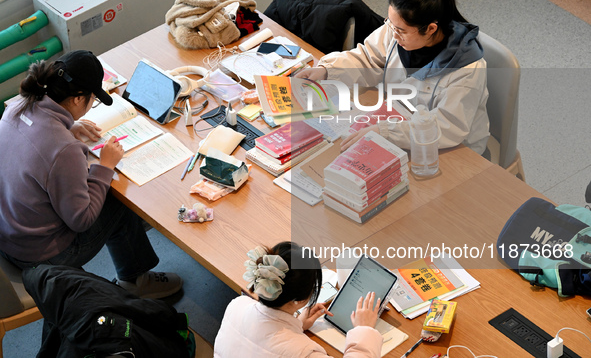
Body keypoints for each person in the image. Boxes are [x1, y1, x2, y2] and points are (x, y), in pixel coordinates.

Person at [0, 50, 182, 299]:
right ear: (77, 99)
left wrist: (68, 125)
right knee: (116, 200)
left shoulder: (17, 107)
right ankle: (135, 281)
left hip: (9, 234)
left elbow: (35, 143)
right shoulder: (64, 149)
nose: (90, 105)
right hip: (42, 256)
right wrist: (105, 166)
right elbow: (81, 220)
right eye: (92, 99)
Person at [298, 0, 489, 155]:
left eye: (400, 30)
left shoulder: (467, 69)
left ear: (431, 29)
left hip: (451, 148)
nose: (393, 34)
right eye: (390, 24)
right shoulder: (397, 30)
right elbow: (368, 58)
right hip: (396, 121)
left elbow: (446, 126)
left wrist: (387, 131)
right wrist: (327, 70)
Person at [214, 242, 383, 357]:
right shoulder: (304, 352)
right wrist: (363, 329)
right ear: (299, 300)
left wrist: (297, 325)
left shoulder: (237, 305)